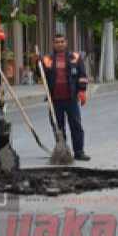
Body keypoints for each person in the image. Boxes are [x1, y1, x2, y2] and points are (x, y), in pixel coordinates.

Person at [40, 33, 90, 161]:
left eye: (62, 41)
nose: (60, 44)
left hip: (71, 99)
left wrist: (82, 91)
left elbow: (82, 75)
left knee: (76, 125)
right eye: (57, 42)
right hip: (55, 100)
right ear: (53, 44)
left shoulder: (75, 57)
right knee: (58, 127)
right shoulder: (47, 59)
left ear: (66, 43)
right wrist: (36, 63)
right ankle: (63, 151)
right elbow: (41, 75)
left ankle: (79, 152)